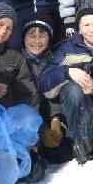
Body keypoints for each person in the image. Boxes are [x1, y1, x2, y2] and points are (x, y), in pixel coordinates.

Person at [38, 6, 93, 164]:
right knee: (73, 89)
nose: (91, 29)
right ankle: (80, 142)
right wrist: (67, 72)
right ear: (79, 29)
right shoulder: (65, 49)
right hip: (75, 105)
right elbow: (44, 83)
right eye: (86, 25)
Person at [21, 14, 73, 165]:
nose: (37, 41)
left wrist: (56, 120)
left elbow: (57, 94)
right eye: (32, 35)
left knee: (61, 154)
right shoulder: (18, 61)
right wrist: (41, 128)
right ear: (23, 38)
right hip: (28, 117)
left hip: (51, 113)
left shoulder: (55, 59)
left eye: (42, 35)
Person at [0, 3, 40, 109]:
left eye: (9, 28)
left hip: (10, 115)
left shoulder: (16, 58)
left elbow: (28, 94)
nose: (4, 31)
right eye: (0, 24)